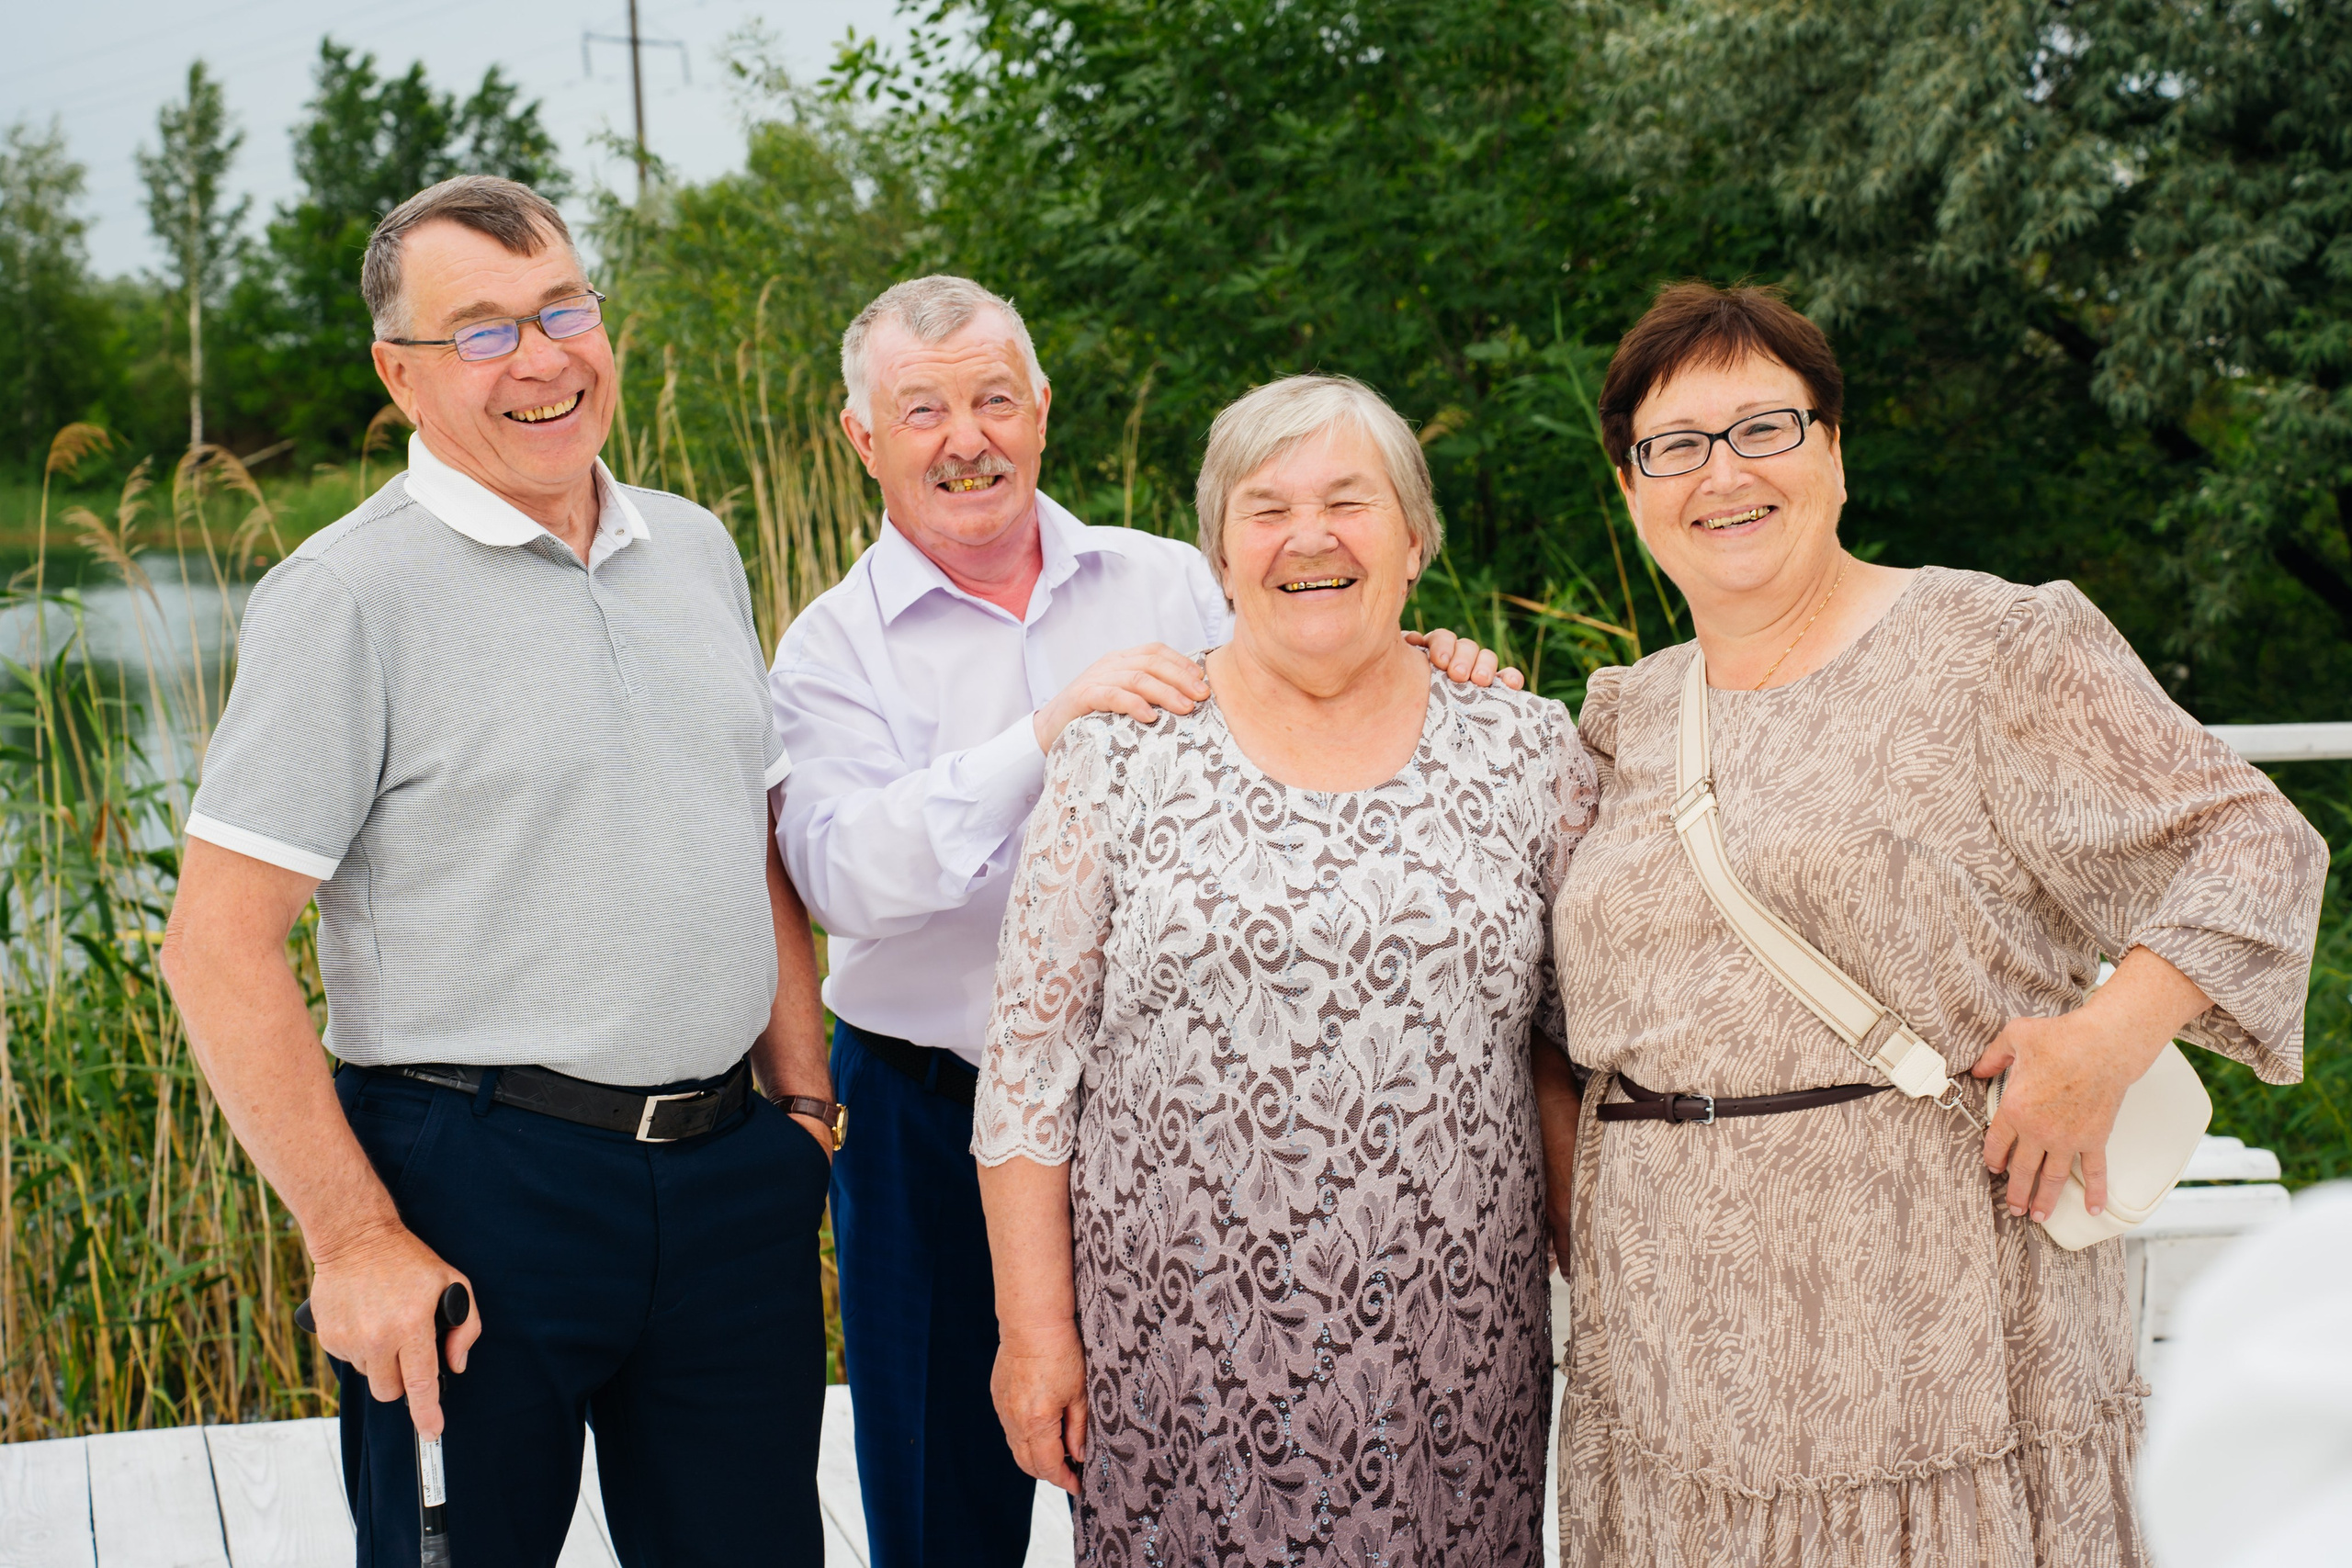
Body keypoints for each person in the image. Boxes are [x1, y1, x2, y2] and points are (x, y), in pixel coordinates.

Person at [1545, 280, 2329, 1566]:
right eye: (1674, 445)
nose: (1722, 473)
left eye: (1764, 428)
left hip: (1936, 1317)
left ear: (1835, 451)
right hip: (1674, 1349)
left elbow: (2254, 844)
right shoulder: (1628, 714)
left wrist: (2107, 1039)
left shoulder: (1993, 645)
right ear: (1632, 491)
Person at [770, 278, 1512, 1567]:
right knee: (942, 1510)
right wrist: (1046, 734)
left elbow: (1316, 671)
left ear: (1042, 408)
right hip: (927, 1117)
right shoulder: (830, 647)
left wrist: (1428, 663)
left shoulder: (1170, 579)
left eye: (995, 399)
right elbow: (841, 882)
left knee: (1177, 1486)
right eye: (924, 410)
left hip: (1168, 1139)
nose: (967, 439)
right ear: (863, 437)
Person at [159, 175, 837, 1567]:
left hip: (729, 1180)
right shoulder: (345, 596)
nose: (540, 360)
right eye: (481, 331)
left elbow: (746, 833)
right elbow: (215, 946)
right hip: (473, 1188)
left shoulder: (694, 546)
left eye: (562, 311)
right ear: (398, 374)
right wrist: (353, 1242)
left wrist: (806, 1109)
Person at [973, 373, 1598, 1563]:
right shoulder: (1121, 754)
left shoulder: (1525, 748)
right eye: (1266, 509)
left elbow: (1572, 1045)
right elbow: (1026, 1081)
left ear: (1415, 540)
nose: (1309, 537)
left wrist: (1598, 1277)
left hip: (1451, 1360)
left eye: (1349, 502)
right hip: (1177, 1357)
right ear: (1219, 555)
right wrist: (1036, 1335)